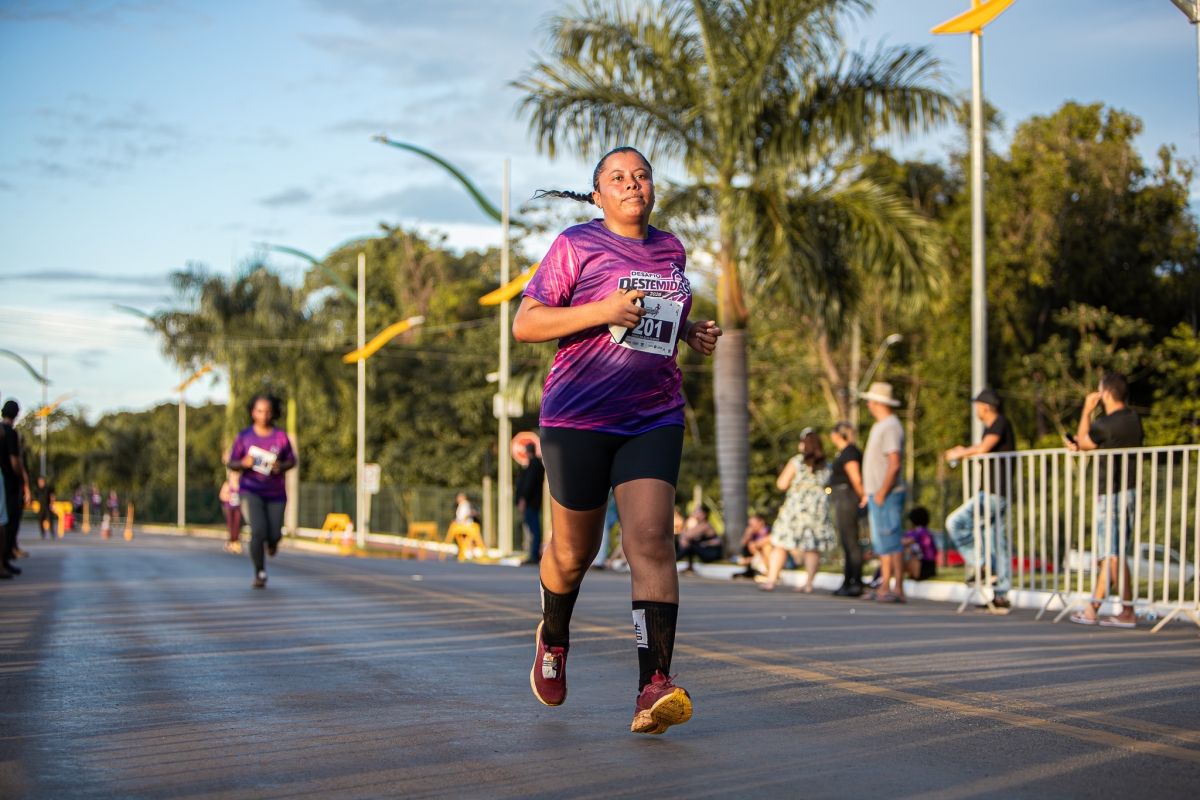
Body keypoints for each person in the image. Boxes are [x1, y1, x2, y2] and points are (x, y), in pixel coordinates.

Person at [512, 145, 721, 734]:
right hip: (577, 417)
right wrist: (601, 309)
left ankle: (654, 685)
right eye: (618, 177)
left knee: (651, 540)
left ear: (652, 188)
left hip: (653, 414)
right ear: (599, 194)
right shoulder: (575, 244)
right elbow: (527, 323)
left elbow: (653, 317)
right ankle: (554, 637)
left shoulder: (671, 248)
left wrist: (688, 330)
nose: (632, 184)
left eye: (642, 175)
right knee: (572, 554)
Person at [1066, 372, 1143, 628]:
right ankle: (1093, 609)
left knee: (1112, 554)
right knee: (1111, 555)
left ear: (1106, 394)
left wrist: (1086, 411)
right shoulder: (1134, 420)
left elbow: (1084, 442)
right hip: (1128, 491)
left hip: (1111, 493)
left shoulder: (1105, 424)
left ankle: (1127, 612)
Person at [942, 389, 1017, 611]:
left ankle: (983, 565)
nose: (975, 410)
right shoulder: (992, 425)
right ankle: (1000, 595)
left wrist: (961, 452)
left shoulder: (999, 422)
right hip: (996, 492)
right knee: (996, 542)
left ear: (984, 406)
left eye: (976, 406)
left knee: (955, 523)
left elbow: (984, 448)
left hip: (994, 493)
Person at [226, 395, 296, 589]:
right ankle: (260, 572)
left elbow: (292, 461)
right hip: (250, 491)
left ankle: (272, 542)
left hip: (275, 493)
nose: (263, 415)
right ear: (253, 413)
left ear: (272, 413)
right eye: (259, 411)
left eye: (267, 411)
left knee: (274, 535)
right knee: (257, 530)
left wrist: (281, 466)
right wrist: (243, 463)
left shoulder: (280, 437)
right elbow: (231, 462)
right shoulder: (244, 436)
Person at [761, 428, 836, 593]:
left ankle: (771, 580)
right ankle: (808, 584)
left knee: (780, 543)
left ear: (803, 444)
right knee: (812, 546)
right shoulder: (826, 464)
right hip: (817, 508)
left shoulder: (797, 461)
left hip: (796, 508)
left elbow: (781, 484)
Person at [860, 383, 906, 603]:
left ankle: (895, 588)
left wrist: (881, 492)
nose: (868, 404)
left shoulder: (890, 426)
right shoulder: (881, 425)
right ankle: (885, 585)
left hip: (887, 494)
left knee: (891, 540)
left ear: (878, 403)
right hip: (877, 493)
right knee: (883, 543)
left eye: (870, 400)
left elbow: (894, 463)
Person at [828, 421, 865, 596]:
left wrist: (862, 496)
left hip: (848, 496)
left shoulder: (850, 452)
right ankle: (847, 580)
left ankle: (856, 582)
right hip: (840, 497)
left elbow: (855, 477)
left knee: (851, 541)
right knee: (846, 541)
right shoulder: (844, 452)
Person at [1, 400, 30, 575]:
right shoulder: (11, 434)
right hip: (9, 483)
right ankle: (4, 559)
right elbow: (15, 461)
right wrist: (22, 480)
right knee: (9, 522)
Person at [515, 442, 545, 565]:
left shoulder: (534, 466)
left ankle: (534, 555)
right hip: (533, 502)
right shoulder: (535, 465)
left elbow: (529, 484)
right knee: (533, 529)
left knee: (534, 530)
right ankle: (533, 554)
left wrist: (523, 499)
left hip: (531, 502)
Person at [676, 507, 722, 572]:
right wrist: (683, 539)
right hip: (706, 550)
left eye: (697, 512)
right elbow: (685, 535)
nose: (694, 513)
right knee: (689, 543)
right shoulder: (699, 525)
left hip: (712, 553)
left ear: (703, 514)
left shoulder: (705, 525)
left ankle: (675, 560)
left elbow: (687, 536)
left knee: (690, 544)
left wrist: (683, 539)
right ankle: (688, 566)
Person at [903, 507, 938, 581]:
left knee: (900, 554)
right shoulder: (913, 531)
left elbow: (905, 542)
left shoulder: (922, 531)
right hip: (921, 563)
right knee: (901, 552)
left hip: (926, 565)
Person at [734, 514, 771, 579]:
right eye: (750, 524)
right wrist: (747, 534)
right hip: (757, 556)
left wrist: (757, 544)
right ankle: (751, 569)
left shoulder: (768, 530)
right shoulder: (754, 534)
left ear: (761, 522)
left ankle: (765, 570)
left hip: (767, 556)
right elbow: (743, 544)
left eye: (753, 523)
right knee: (747, 546)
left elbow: (770, 539)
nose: (751, 526)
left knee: (767, 547)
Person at [219, 470, 243, 554]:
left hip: (238, 507)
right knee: (230, 524)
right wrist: (229, 497)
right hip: (229, 507)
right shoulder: (227, 484)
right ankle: (230, 541)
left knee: (237, 524)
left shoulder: (241, 484)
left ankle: (236, 541)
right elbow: (221, 495)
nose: (235, 476)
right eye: (234, 474)